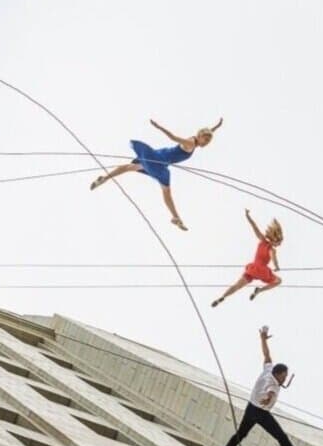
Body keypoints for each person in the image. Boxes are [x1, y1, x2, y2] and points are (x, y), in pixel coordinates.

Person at [212, 326, 318, 446]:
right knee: (281, 437)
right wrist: (268, 398)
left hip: (251, 408)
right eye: (284, 376)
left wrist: (263, 339)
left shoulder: (268, 369)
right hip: (260, 413)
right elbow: (270, 390)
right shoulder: (273, 382)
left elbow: (266, 354)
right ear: (279, 374)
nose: (285, 379)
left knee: (239, 436)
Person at [89, 118, 223, 231]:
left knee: (131, 168)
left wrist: (215, 127)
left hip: (159, 164)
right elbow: (173, 137)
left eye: (208, 141)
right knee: (162, 189)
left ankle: (104, 178)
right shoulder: (190, 143)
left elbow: (206, 133)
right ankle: (176, 217)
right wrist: (159, 127)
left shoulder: (195, 141)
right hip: (157, 161)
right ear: (199, 136)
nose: (206, 143)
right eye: (205, 140)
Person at [211, 209, 283, 307]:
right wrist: (277, 266)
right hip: (262, 270)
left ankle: (222, 297)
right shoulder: (271, 249)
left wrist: (247, 216)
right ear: (274, 240)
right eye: (279, 242)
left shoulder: (262, 240)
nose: (280, 244)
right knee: (278, 281)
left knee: (237, 286)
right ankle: (259, 291)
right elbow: (273, 257)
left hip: (252, 269)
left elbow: (254, 227)